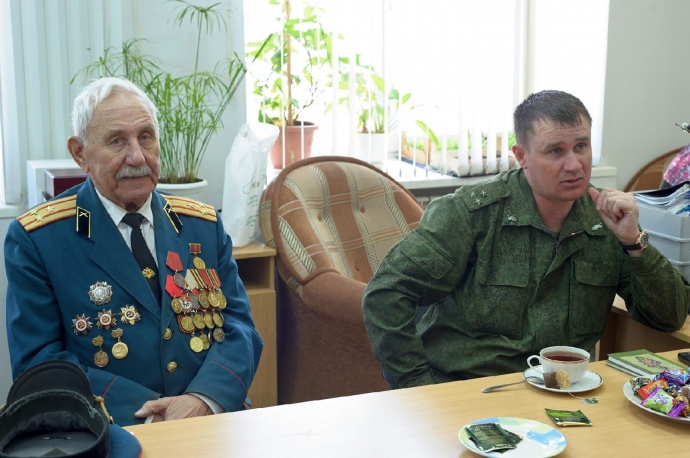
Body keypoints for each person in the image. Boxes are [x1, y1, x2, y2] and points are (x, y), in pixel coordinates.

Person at [363, 89, 690, 389]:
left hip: (563, 392)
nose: (574, 165)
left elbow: (668, 317)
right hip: (467, 388)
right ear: (522, 156)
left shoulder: (607, 220)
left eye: (581, 146)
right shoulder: (471, 214)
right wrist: (417, 386)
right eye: (555, 151)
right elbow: (387, 294)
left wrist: (634, 242)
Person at [4, 77, 263, 426]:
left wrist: (203, 399)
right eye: (116, 141)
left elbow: (239, 327)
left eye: (146, 137)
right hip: (110, 429)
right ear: (80, 153)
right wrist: (153, 416)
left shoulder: (202, 224)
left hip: (209, 420)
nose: (137, 156)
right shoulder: (38, 239)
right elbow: (40, 365)